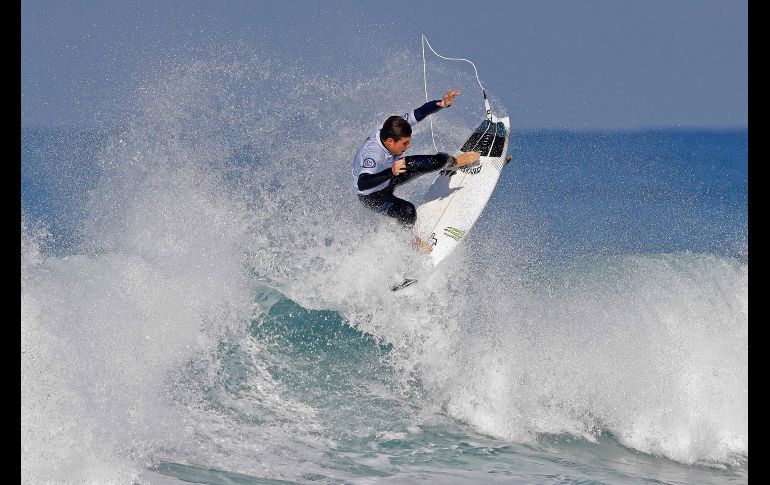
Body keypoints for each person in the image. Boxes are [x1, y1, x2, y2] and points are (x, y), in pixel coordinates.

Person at [352, 90, 480, 252]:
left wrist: (441, 104)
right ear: (390, 142)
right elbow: (363, 183)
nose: (408, 147)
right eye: (404, 143)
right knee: (408, 212)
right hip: (372, 195)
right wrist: (391, 171)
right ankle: (410, 242)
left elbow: (420, 112)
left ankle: (456, 162)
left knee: (436, 160)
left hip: (391, 174)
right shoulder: (372, 154)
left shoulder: (392, 128)